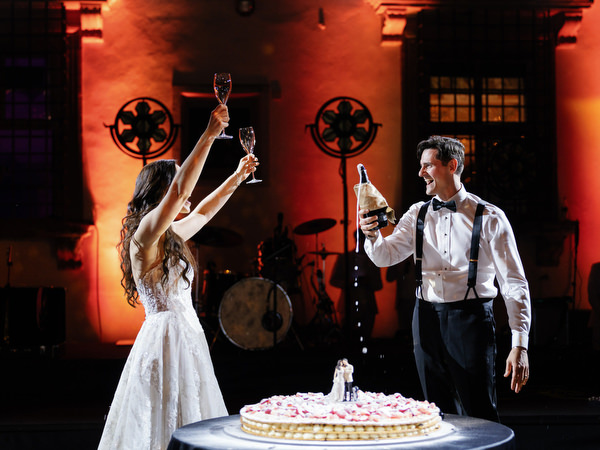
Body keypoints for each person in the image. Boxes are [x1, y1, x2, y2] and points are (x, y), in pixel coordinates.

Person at [98, 104, 259, 450]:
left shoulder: (169, 234)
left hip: (188, 338)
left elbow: (202, 211)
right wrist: (209, 135)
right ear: (160, 191)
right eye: (176, 177)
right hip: (164, 340)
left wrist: (237, 177)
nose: (183, 185)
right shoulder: (145, 233)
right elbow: (182, 194)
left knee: (193, 414)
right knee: (161, 418)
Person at [359, 136, 531, 422]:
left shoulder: (489, 217)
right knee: (435, 411)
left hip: (471, 320)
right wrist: (373, 234)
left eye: (428, 165)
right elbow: (384, 257)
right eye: (420, 166)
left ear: (452, 166)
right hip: (425, 318)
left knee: (478, 412)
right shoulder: (417, 213)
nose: (421, 172)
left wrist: (520, 344)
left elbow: (514, 284)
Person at [329, 230, 382, 342]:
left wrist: (368, 282)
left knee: (364, 341)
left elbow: (378, 285)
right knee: (349, 341)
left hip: (367, 307)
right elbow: (333, 280)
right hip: (349, 306)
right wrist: (350, 282)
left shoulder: (373, 260)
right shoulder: (345, 258)